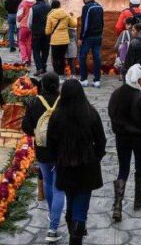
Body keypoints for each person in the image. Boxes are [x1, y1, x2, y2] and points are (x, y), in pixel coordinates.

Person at [47, 80, 107, 245]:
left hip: (65, 167)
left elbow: (50, 143)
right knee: (80, 207)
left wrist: (56, 159)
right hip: (87, 168)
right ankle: (76, 238)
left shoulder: (57, 116)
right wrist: (96, 157)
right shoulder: (91, 113)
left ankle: (74, 232)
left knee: (72, 203)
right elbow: (101, 141)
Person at [107, 63, 141, 221]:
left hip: (122, 137)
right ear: (136, 80)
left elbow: (111, 114)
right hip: (139, 137)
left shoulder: (116, 94)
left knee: (123, 169)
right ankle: (138, 200)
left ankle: (118, 206)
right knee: (140, 167)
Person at [22, 72, 65, 243]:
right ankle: (53, 228)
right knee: (59, 188)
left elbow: (26, 126)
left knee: (47, 182)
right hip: (61, 150)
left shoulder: (34, 102)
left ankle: (50, 213)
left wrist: (37, 132)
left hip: (42, 150)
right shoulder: (63, 101)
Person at [78, 0, 105, 86]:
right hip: (98, 36)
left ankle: (84, 79)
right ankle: (97, 80)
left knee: (82, 56)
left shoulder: (86, 8)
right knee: (97, 57)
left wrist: (81, 37)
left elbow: (84, 24)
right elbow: (102, 22)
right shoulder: (99, 6)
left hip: (88, 37)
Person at [45, 0, 73, 76]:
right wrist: (72, 16)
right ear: (59, 5)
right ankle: (61, 71)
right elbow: (73, 24)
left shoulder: (50, 15)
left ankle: (57, 73)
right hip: (64, 40)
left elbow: (47, 31)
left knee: (55, 58)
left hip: (55, 40)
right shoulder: (66, 13)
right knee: (62, 57)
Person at [29, 0, 52, 74]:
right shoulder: (49, 8)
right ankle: (44, 66)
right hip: (47, 32)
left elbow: (30, 22)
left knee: (36, 50)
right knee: (45, 50)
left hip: (36, 32)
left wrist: (31, 28)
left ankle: (39, 67)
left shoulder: (33, 8)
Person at [16, 0, 35, 66]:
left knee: (21, 42)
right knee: (29, 43)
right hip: (31, 26)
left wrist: (19, 21)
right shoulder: (34, 3)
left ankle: (24, 58)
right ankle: (29, 59)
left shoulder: (23, 3)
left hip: (23, 26)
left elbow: (19, 15)